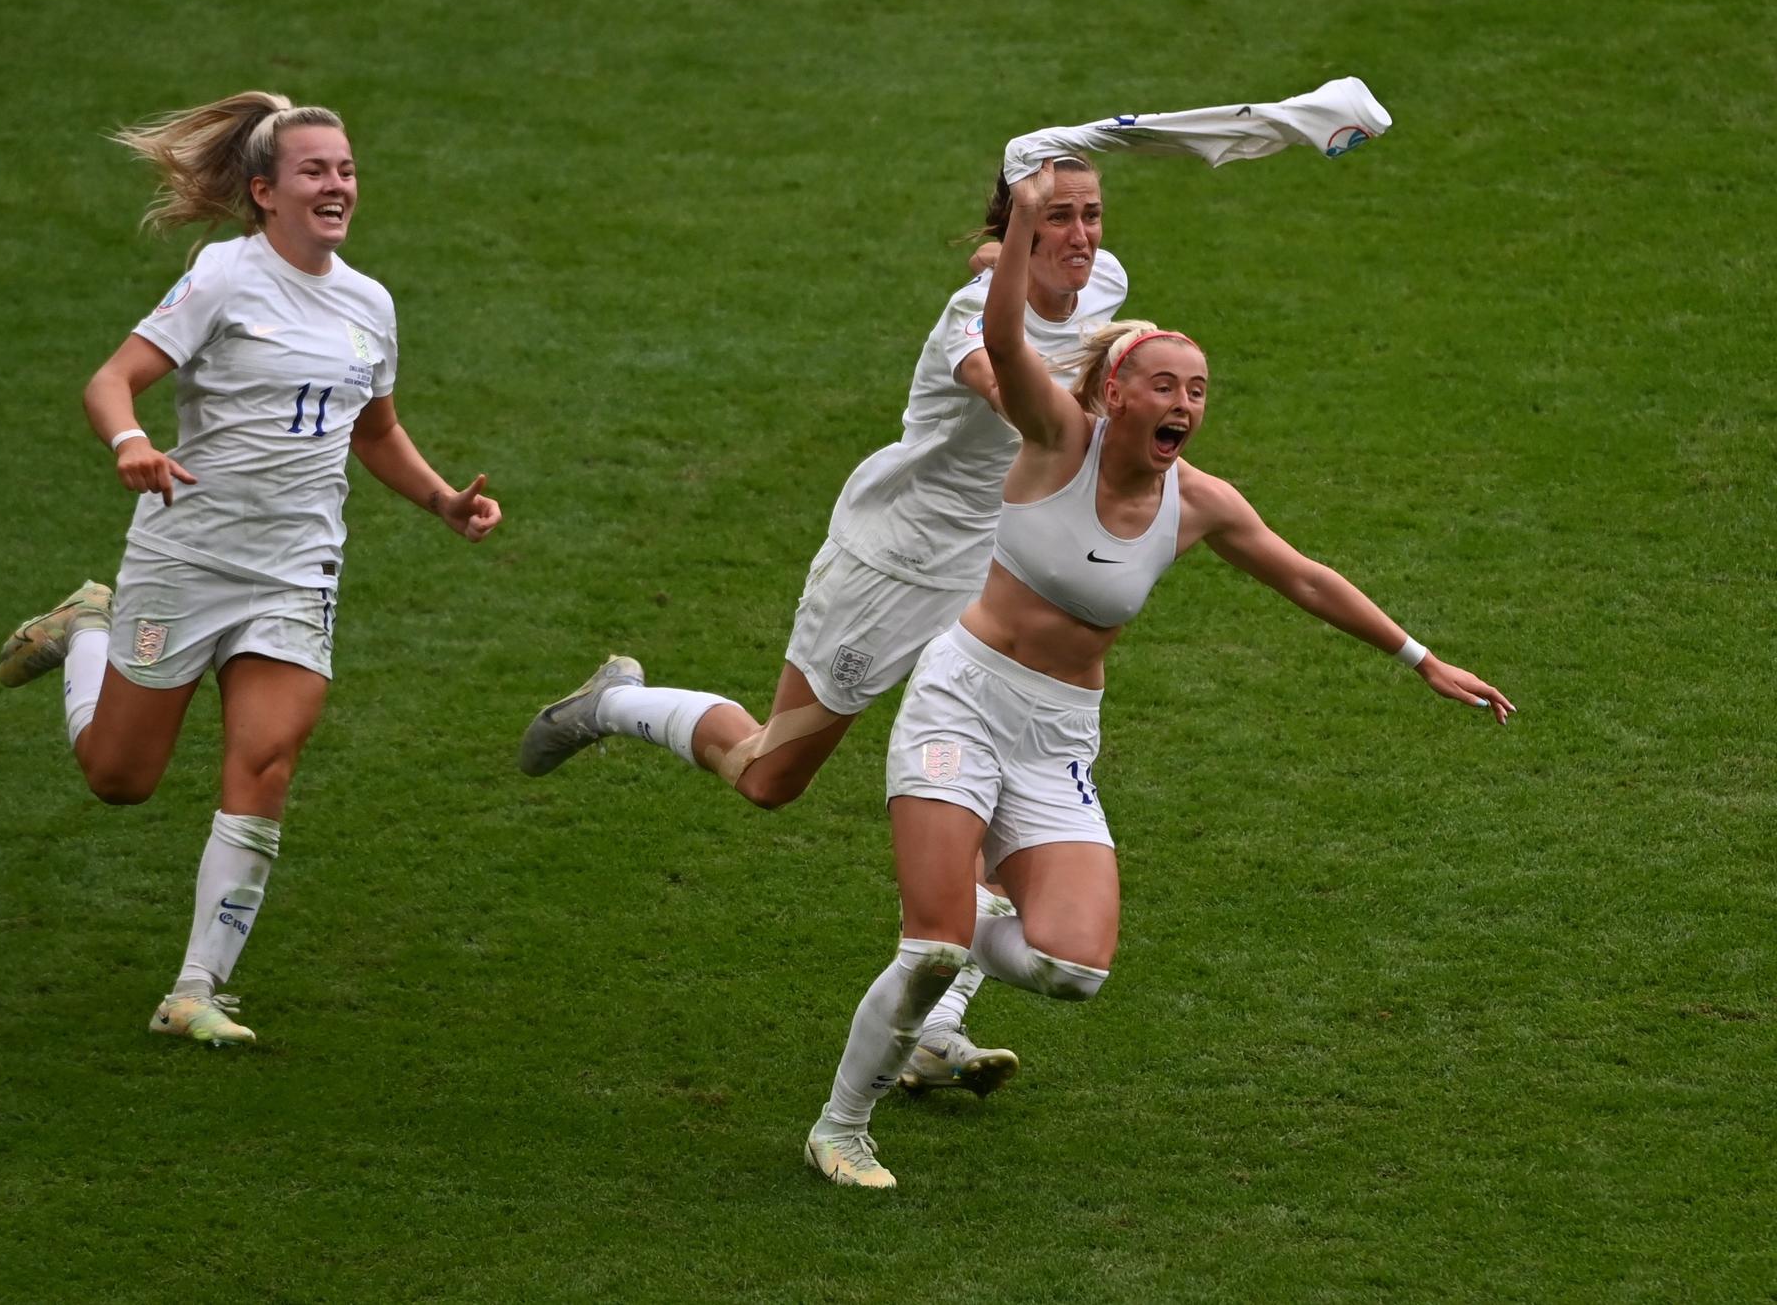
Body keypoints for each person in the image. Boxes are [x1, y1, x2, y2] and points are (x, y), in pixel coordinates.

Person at [802, 161, 1513, 1189]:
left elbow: (1304, 579)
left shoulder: (1197, 501)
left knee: (1072, 970)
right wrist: (1014, 248)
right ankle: (840, 1126)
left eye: (1198, 389)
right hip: (960, 698)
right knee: (931, 947)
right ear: (1113, 392)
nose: (1185, 402)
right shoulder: (1056, 442)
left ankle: (969, 933)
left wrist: (1420, 658)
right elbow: (1003, 344)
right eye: (1166, 384)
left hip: (1056, 734)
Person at [518, 157, 1127, 1097]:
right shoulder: (970, 324)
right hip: (894, 565)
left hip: (995, 580)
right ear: (1020, 235)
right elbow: (1016, 391)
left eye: (1093, 216)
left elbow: (1041, 285)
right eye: (1061, 220)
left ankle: (935, 1030)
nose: (1085, 239)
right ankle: (615, 703)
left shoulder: (1103, 281)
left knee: (999, 799)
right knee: (771, 775)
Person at [0, 91, 501, 1046]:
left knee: (265, 759)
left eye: (346, 169)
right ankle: (88, 631)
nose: (337, 185)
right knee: (119, 779)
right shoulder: (224, 277)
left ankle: (196, 989)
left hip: (295, 571)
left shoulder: (370, 302)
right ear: (265, 192)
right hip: (188, 557)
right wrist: (132, 446)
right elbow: (111, 380)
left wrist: (443, 501)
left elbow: (374, 429)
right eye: (316, 171)